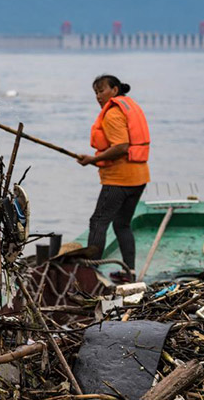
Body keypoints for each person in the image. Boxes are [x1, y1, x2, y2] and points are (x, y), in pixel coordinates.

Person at [77, 75, 151, 282]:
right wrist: (94, 159)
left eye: (102, 91)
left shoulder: (112, 114)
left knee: (98, 222)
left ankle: (91, 274)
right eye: (96, 93)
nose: (98, 96)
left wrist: (94, 159)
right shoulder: (130, 107)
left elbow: (121, 147)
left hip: (119, 180)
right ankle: (130, 273)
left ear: (115, 90)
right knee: (122, 224)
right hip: (139, 177)